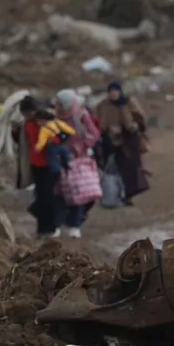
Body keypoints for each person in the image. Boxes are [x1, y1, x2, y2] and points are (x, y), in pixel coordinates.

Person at [14, 97, 76, 238]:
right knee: (41, 196)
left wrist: (52, 141)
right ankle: (42, 228)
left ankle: (51, 227)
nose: (27, 116)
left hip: (49, 164)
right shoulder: (27, 125)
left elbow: (62, 136)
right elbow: (23, 142)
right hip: (35, 164)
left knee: (48, 197)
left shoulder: (46, 121)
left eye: (28, 113)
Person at [54, 90, 103, 238]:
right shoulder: (55, 118)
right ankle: (58, 223)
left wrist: (81, 145)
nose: (57, 106)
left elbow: (94, 134)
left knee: (79, 193)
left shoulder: (81, 116)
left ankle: (75, 224)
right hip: (60, 160)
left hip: (79, 161)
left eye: (59, 104)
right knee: (60, 194)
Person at [95, 81, 148, 205]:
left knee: (129, 168)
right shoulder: (103, 105)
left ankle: (127, 195)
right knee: (111, 168)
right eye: (111, 91)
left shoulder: (129, 103)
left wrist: (131, 125)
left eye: (115, 91)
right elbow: (99, 122)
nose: (113, 94)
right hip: (109, 141)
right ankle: (115, 194)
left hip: (128, 141)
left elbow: (140, 120)